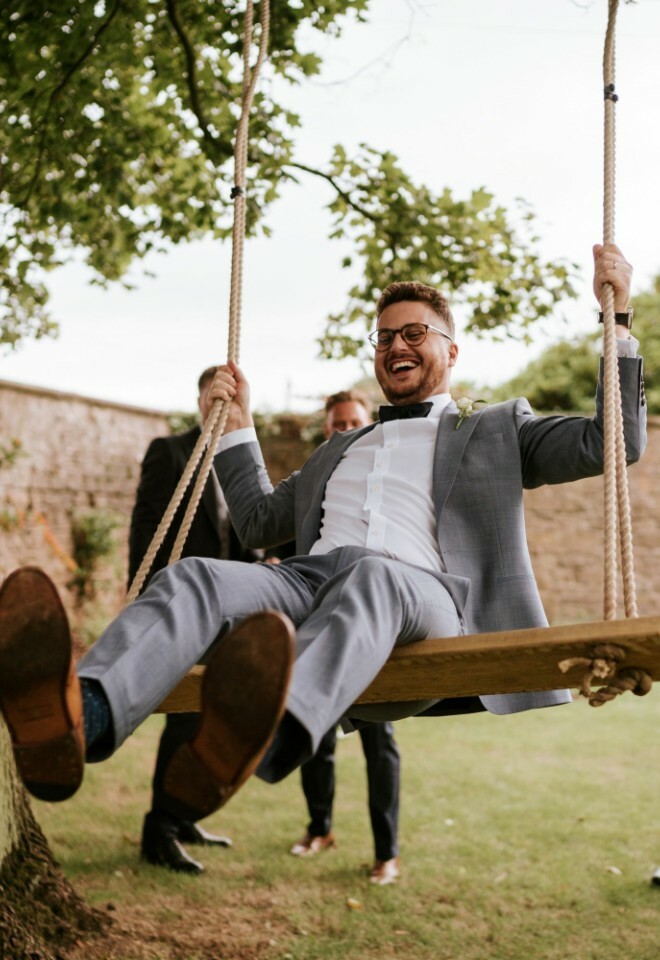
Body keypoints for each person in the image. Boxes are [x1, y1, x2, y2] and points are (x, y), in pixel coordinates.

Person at [0, 244, 646, 859]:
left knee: (374, 577)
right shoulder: (338, 448)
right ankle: (81, 720)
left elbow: (610, 441)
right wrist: (237, 423)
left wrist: (615, 322)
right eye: (384, 337)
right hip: (309, 582)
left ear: (451, 350)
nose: (396, 345)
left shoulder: (497, 428)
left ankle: (263, 731)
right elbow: (258, 520)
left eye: (414, 333)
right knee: (195, 576)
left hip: (421, 597)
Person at [129, 366, 261, 874]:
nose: (223, 404)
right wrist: (142, 600)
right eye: (215, 396)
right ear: (202, 399)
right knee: (183, 717)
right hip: (180, 606)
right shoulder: (169, 452)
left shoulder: (241, 457)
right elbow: (146, 528)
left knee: (207, 718)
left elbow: (245, 531)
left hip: (228, 611)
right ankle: (158, 830)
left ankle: (181, 817)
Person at [289, 390, 402, 886]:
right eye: (339, 424)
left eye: (355, 421)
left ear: (369, 422)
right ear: (327, 429)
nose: (347, 429)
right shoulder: (314, 477)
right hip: (321, 624)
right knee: (314, 734)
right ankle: (320, 829)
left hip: (374, 627)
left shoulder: (390, 474)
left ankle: (386, 853)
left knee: (380, 743)